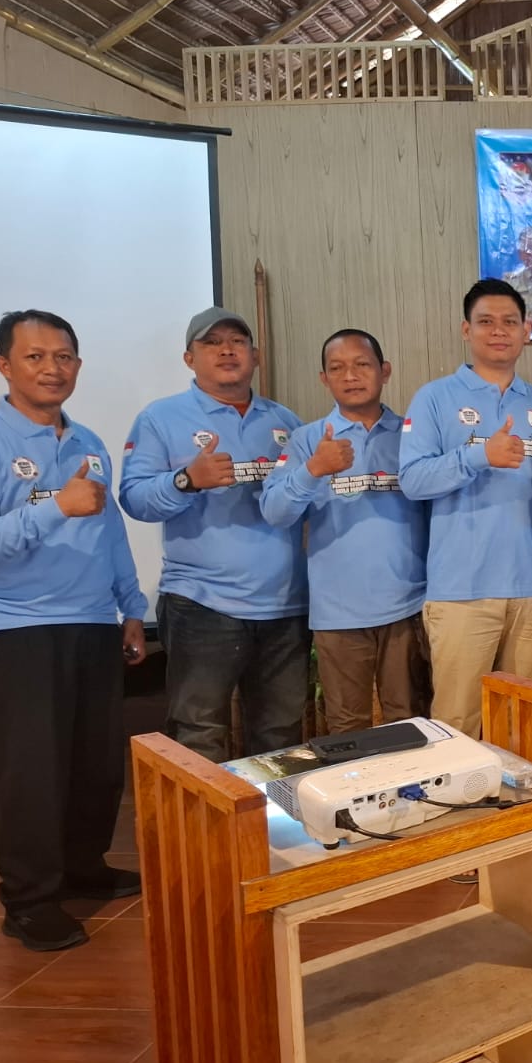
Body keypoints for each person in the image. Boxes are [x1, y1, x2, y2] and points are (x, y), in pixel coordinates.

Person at [0, 310, 147, 951]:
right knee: (29, 775)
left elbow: (109, 531)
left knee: (94, 766)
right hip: (16, 627)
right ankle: (29, 902)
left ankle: (82, 869)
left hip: (91, 620)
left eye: (64, 356)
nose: (52, 368)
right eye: (35, 356)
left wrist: (130, 606)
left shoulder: (89, 442)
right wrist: (56, 507)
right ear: (4, 366)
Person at [119, 308, 307, 762]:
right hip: (202, 605)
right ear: (189, 358)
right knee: (198, 737)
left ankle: (272, 814)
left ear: (255, 356)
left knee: (281, 738)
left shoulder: (285, 421)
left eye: (237, 341)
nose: (226, 350)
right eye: (212, 343)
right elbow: (134, 498)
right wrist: (187, 480)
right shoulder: (161, 417)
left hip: (285, 607)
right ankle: (203, 815)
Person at [400, 279, 532, 739]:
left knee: (523, 726)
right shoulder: (435, 398)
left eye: (509, 322)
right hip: (461, 591)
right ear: (465, 330)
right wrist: (479, 456)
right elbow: (413, 480)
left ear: (526, 331)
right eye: (486, 322)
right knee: (457, 726)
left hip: (531, 590)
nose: (499, 331)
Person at [261, 329, 429, 733]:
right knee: (347, 728)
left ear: (384, 371)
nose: (350, 376)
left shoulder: (413, 435)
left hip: (407, 605)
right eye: (337, 368)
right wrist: (313, 470)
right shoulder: (307, 440)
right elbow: (274, 512)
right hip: (337, 613)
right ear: (324, 379)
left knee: (410, 723)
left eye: (361, 365)